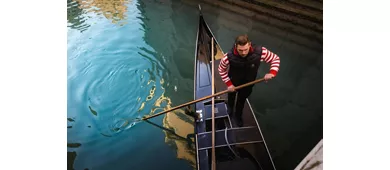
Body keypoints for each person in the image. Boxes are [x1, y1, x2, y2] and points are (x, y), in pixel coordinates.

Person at [218, 34, 280, 127]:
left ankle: (238, 116)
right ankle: (230, 108)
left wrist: (272, 72)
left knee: (241, 100)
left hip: (248, 83)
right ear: (236, 46)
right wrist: (229, 84)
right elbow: (221, 69)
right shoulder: (228, 57)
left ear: (249, 44)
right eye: (240, 50)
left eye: (246, 49)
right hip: (233, 82)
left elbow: (275, 59)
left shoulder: (261, 52)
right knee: (231, 96)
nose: (243, 53)